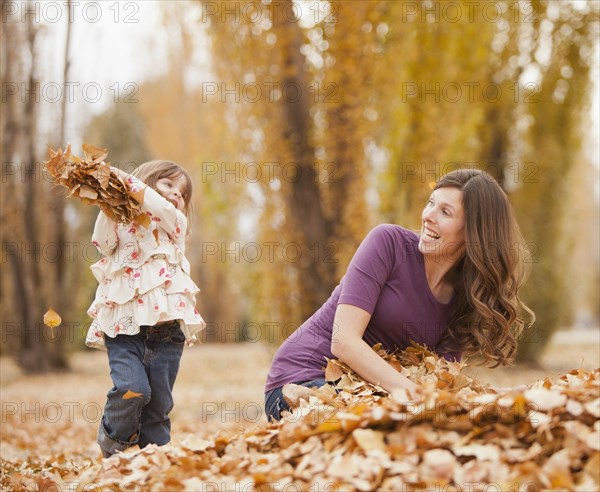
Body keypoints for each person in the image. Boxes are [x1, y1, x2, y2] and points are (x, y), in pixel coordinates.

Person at [264, 169, 533, 421]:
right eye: (431, 203)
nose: (428, 215)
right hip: (303, 378)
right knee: (388, 422)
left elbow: (438, 380)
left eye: (445, 212)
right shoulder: (388, 244)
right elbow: (343, 341)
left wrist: (493, 398)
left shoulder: (465, 299)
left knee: (435, 424)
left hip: (373, 391)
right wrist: (415, 397)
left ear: (473, 234)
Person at [86, 160, 206, 457]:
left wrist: (125, 179)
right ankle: (115, 450)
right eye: (168, 184)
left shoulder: (174, 224)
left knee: (159, 404)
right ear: (147, 180)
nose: (177, 195)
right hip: (123, 330)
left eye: (182, 193)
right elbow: (102, 243)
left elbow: (160, 208)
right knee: (132, 389)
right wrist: (108, 198)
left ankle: (155, 461)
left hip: (167, 334)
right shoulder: (121, 221)